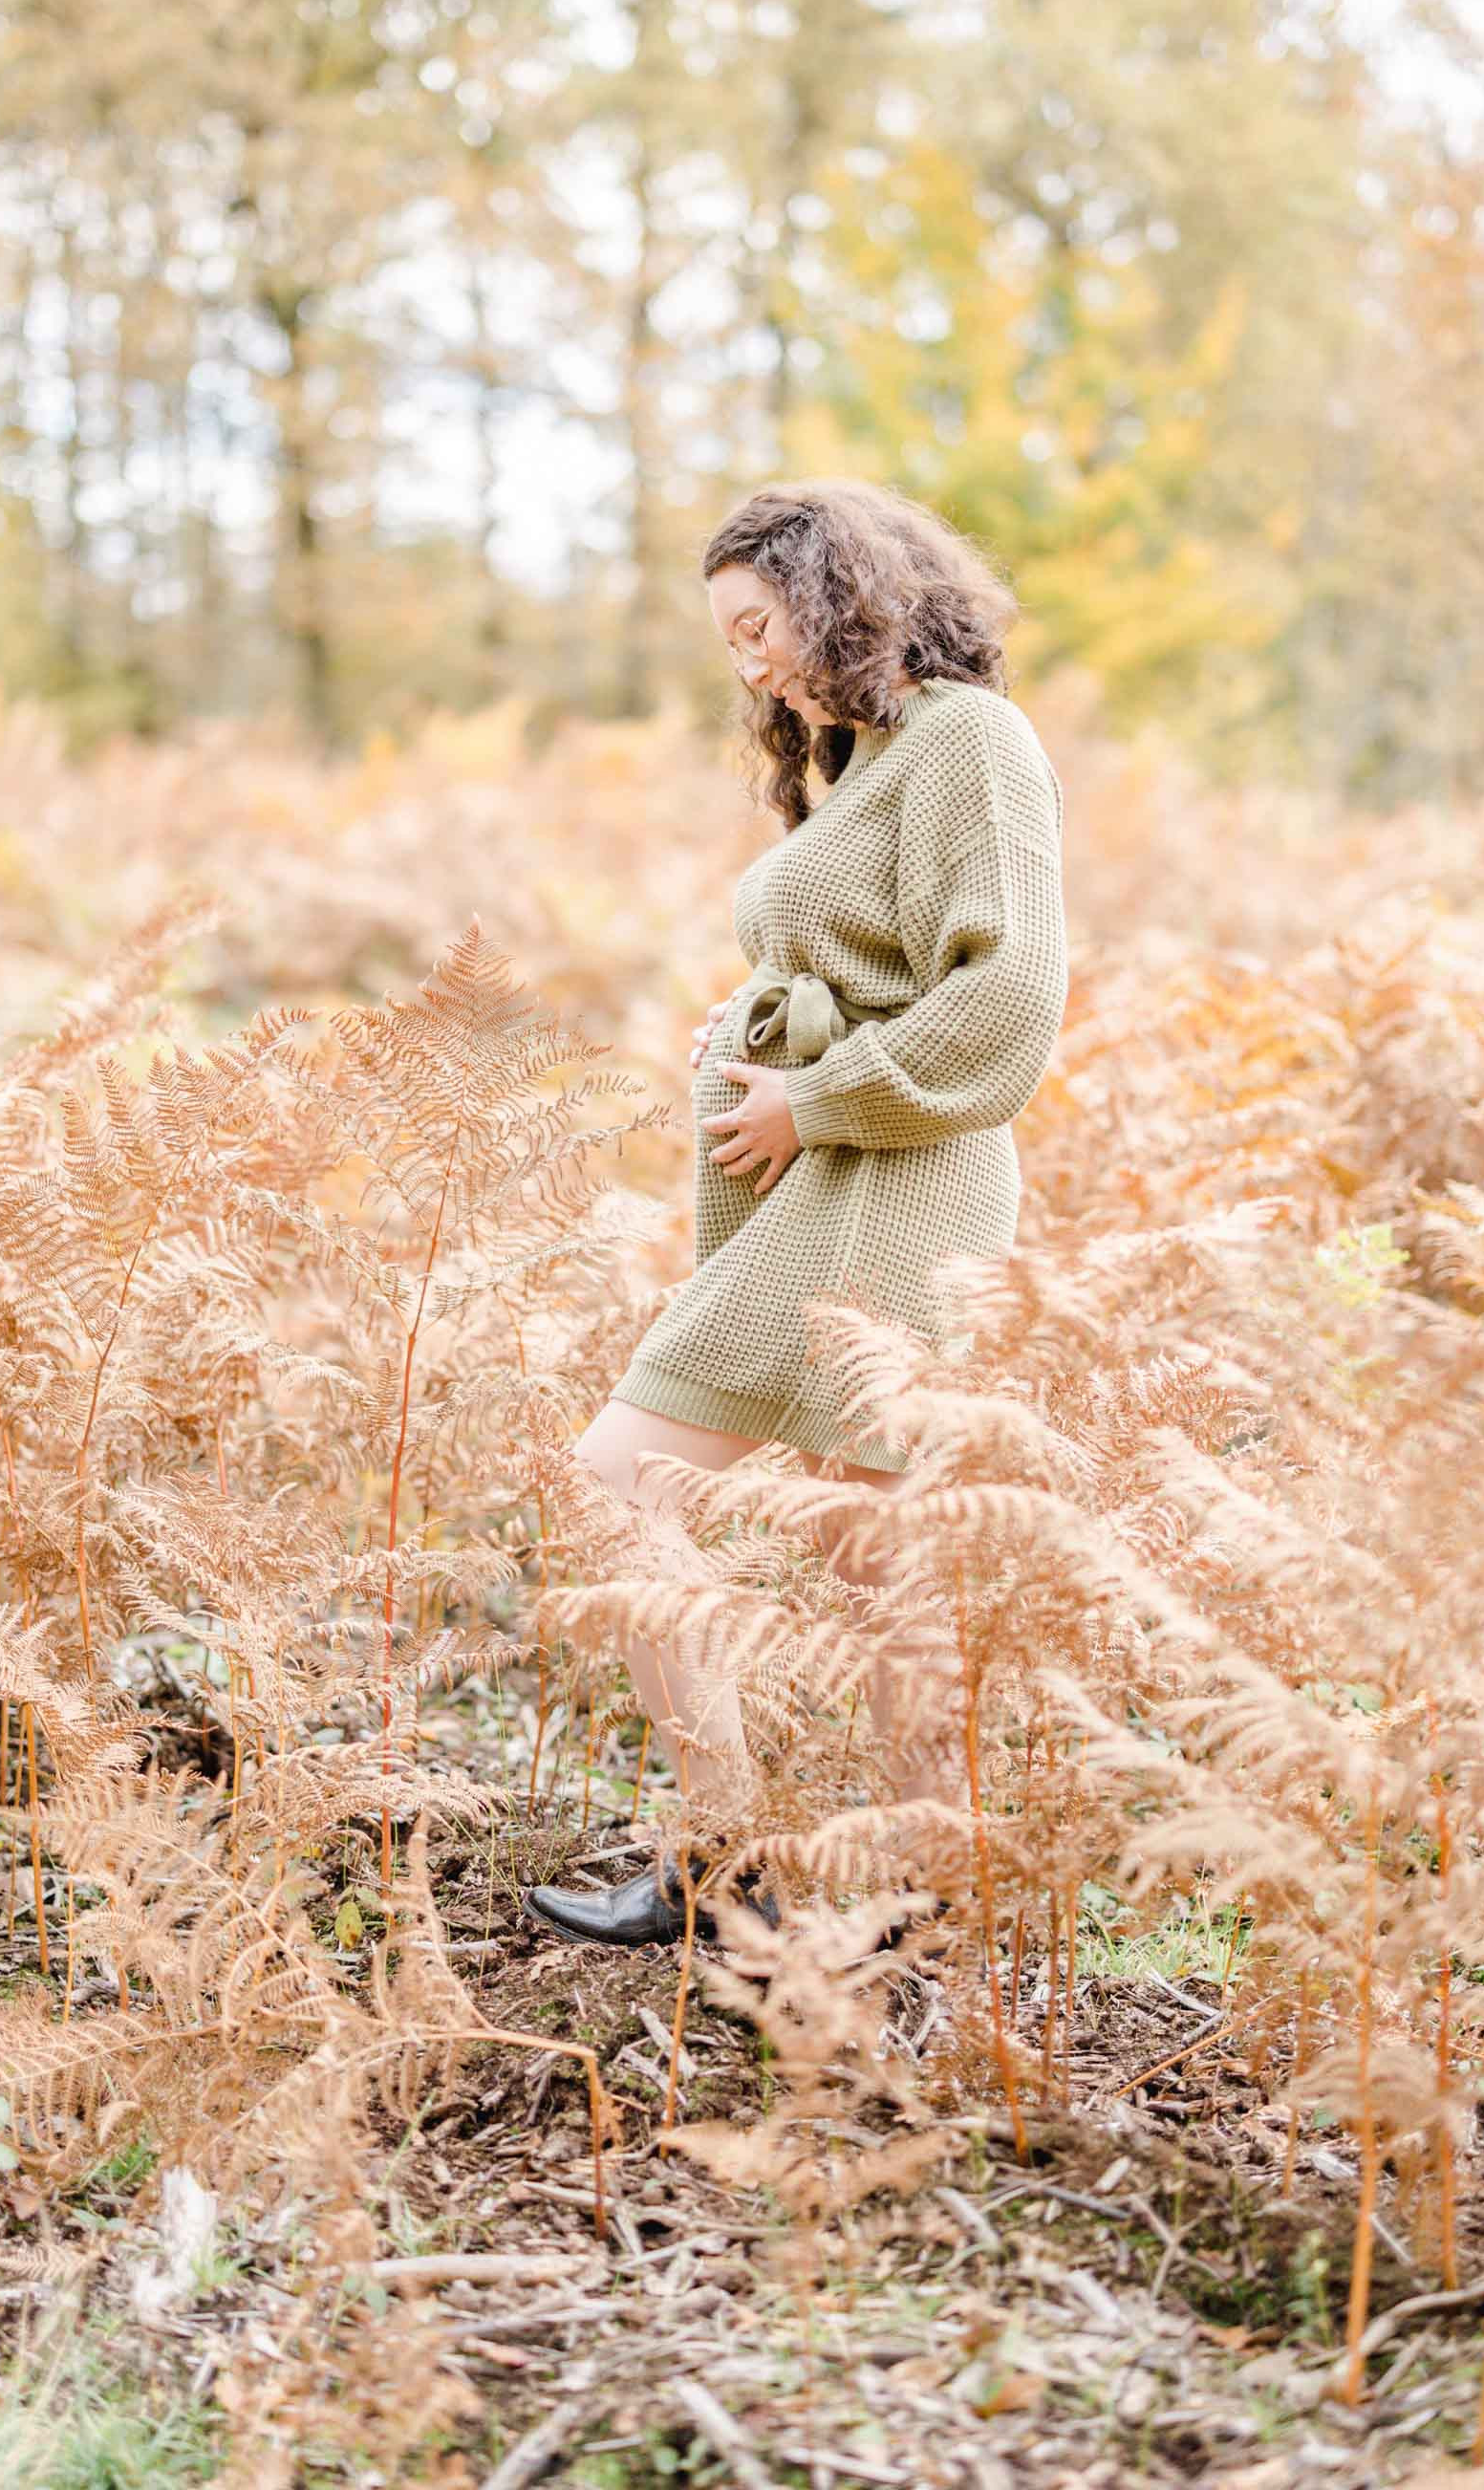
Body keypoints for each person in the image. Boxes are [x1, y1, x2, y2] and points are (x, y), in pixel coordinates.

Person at [524, 479, 1068, 1948]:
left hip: (894, 1183)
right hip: (847, 1176)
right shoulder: (881, 757)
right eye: (730, 641)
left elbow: (1010, 996)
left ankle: (729, 1859)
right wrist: (766, 1024)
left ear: (836, 596)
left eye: (759, 626)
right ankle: (920, 1891)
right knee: (875, 1544)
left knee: (617, 1475)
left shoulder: (969, 741)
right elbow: (889, 968)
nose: (749, 664)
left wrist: (815, 1096)